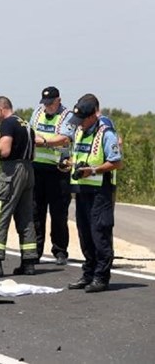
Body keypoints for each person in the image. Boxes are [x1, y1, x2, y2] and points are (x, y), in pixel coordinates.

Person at [66, 94, 123, 293]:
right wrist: (68, 164)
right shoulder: (80, 132)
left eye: (82, 119)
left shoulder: (106, 133)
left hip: (101, 190)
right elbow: (79, 156)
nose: (79, 124)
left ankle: (101, 277)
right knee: (85, 234)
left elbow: (116, 161)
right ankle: (88, 273)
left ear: (92, 116)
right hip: (82, 189)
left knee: (100, 233)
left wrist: (94, 170)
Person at [0, 96, 39, 277]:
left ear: (1, 108)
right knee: (26, 217)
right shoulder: (26, 124)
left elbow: (5, 150)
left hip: (12, 171)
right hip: (29, 170)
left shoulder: (7, 123)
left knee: (1, 214)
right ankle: (29, 262)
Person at [29, 86, 75, 265]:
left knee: (58, 213)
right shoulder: (38, 112)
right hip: (37, 169)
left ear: (59, 100)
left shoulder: (68, 116)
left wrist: (44, 141)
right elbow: (31, 133)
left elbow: (65, 138)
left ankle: (60, 250)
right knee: (36, 212)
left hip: (58, 171)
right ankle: (36, 251)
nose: (47, 107)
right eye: (45, 103)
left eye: (51, 103)